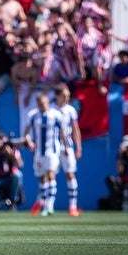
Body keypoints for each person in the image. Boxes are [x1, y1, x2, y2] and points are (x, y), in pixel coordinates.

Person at [24, 93, 68, 216]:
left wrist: (66, 147)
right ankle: (42, 202)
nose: (41, 106)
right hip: (38, 152)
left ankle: (49, 206)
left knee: (51, 175)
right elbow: (26, 133)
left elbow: (63, 132)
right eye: (39, 104)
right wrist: (28, 141)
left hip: (52, 151)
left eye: (43, 103)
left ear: (47, 102)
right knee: (42, 178)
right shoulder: (33, 115)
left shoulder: (55, 115)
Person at [52, 83, 83, 217]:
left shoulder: (71, 110)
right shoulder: (51, 110)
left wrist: (78, 147)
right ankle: (47, 206)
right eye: (64, 96)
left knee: (70, 174)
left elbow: (75, 129)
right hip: (52, 148)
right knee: (49, 175)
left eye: (68, 96)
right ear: (57, 96)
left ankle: (72, 206)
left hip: (67, 147)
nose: (66, 99)